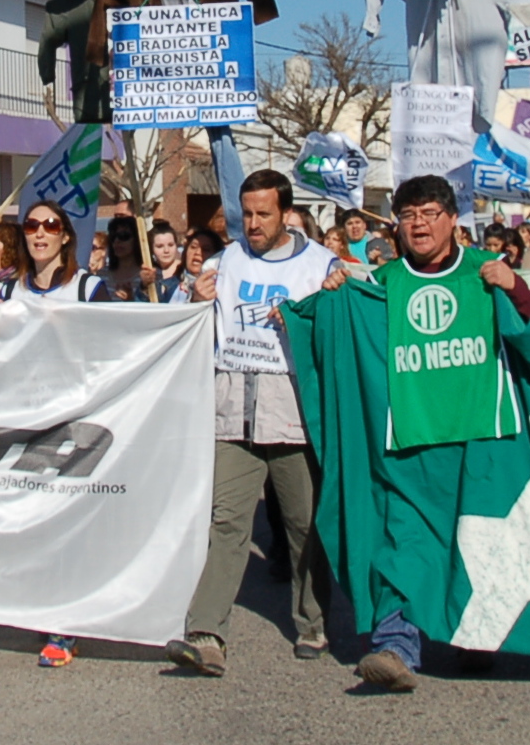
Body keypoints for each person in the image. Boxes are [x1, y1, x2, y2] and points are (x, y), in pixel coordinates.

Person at [349, 174, 530, 693]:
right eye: (408, 216)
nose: (418, 224)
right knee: (404, 541)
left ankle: (474, 634)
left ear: (453, 220)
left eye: (429, 213)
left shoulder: (486, 271)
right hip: (412, 437)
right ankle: (394, 645)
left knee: (476, 545)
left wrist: (517, 289)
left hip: (481, 433)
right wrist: (331, 296)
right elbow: (349, 325)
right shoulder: (383, 280)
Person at [167, 171, 347, 678]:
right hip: (232, 419)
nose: (253, 223)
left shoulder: (319, 265)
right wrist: (194, 301)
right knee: (226, 522)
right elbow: (177, 324)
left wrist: (329, 303)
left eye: (263, 213)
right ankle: (206, 633)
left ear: (286, 212)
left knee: (302, 525)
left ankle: (312, 621)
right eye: (246, 213)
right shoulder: (224, 264)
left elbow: (343, 327)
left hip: (292, 420)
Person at [19, 203, 110, 301]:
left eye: (51, 226)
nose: (39, 234)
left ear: (65, 237)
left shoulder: (88, 288)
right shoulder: (10, 291)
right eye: (31, 226)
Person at [101, 215, 147, 301]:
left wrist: (131, 299)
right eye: (113, 237)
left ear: (137, 240)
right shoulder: (101, 275)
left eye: (124, 236)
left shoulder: (149, 275)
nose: (117, 241)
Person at [145, 220, 188, 301]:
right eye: (160, 246)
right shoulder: (149, 273)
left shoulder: (185, 271)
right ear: (152, 249)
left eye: (171, 245)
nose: (166, 250)